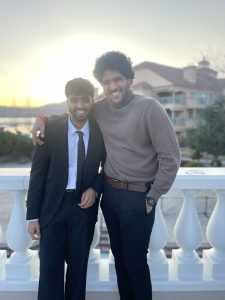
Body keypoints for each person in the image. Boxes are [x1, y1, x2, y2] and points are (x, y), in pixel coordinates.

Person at [31, 51, 181, 300]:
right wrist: (41, 118)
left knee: (135, 264)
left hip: (139, 198)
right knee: (120, 262)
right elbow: (72, 115)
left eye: (118, 79)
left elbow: (171, 158)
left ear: (130, 79)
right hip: (110, 197)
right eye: (107, 82)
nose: (113, 86)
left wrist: (153, 196)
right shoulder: (99, 108)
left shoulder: (150, 108)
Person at [26, 78, 105, 300]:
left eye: (85, 100)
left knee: (78, 272)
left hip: (83, 211)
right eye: (74, 100)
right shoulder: (51, 131)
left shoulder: (100, 132)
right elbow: (37, 175)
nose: (80, 105)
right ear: (67, 101)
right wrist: (32, 216)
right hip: (52, 209)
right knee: (50, 271)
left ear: (92, 100)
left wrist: (95, 188)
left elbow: (108, 168)